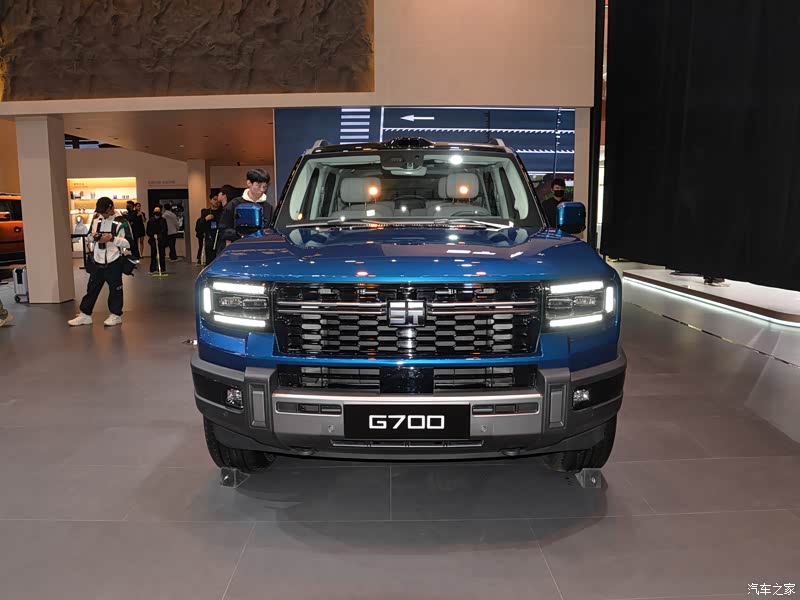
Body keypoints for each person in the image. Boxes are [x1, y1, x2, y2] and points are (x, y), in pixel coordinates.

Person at [68, 197, 130, 327]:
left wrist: (112, 238)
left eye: (104, 211)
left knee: (115, 290)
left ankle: (116, 315)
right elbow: (89, 237)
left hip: (114, 261)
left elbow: (129, 242)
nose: (103, 214)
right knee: (91, 289)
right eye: (100, 212)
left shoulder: (122, 222)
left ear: (111, 208)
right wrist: (93, 237)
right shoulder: (96, 221)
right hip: (97, 261)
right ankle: (85, 315)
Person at [220, 169, 271, 242]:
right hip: (239, 245)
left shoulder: (268, 207)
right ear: (249, 183)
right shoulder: (234, 204)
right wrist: (239, 235)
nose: (262, 190)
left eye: (265, 187)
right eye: (258, 186)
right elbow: (223, 229)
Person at [147, 207, 169, 274]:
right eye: (156, 210)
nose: (157, 212)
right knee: (153, 255)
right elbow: (148, 230)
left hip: (161, 240)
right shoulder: (150, 221)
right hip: (153, 240)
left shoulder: (163, 220)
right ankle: (153, 269)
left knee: (161, 255)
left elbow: (165, 229)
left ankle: (162, 269)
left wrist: (159, 236)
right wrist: (153, 235)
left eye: (158, 210)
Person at [205, 193, 225, 263]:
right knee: (209, 258)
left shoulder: (223, 212)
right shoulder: (206, 212)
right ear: (210, 200)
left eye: (218, 200)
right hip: (209, 238)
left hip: (220, 238)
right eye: (214, 199)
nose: (216, 202)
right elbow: (200, 227)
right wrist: (205, 219)